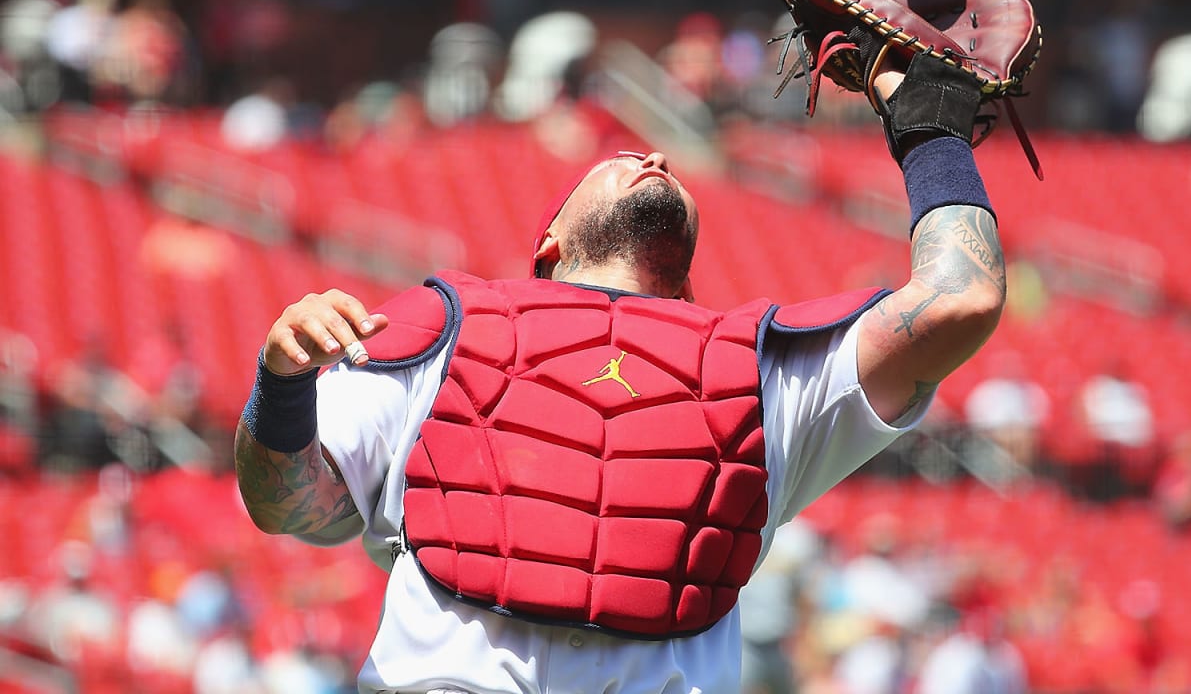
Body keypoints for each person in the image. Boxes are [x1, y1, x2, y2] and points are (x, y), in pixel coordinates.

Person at [233, 49, 1008, 693]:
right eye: (620, 160)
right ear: (548, 250)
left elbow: (961, 297)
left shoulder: (758, 374)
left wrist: (931, 129)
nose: (655, 154)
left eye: (660, 158)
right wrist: (282, 381)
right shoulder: (441, 334)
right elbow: (290, 507)